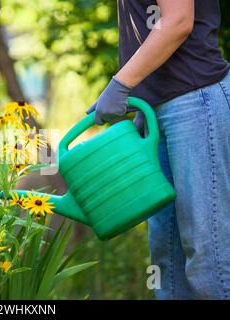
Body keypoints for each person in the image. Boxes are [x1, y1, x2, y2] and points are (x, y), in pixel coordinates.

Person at [87, 0, 230, 299]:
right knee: (169, 268)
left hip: (195, 102)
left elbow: (178, 20)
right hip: (158, 112)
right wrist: (142, 94)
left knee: (211, 262)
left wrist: (121, 84)